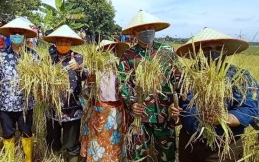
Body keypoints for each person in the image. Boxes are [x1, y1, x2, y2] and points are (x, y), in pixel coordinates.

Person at [171, 27, 259, 162]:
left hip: (223, 147)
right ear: (197, 52)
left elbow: (250, 109)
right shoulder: (186, 76)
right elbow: (178, 106)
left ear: (224, 51)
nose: (213, 52)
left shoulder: (240, 76)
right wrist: (174, 111)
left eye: (218, 48)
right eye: (206, 49)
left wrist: (224, 118)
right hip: (189, 144)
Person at [118, 10, 178, 162]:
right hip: (140, 115)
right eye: (142, 29)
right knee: (137, 156)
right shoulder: (128, 55)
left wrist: (175, 103)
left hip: (165, 113)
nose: (147, 31)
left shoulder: (167, 51)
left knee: (167, 156)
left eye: (150, 27)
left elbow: (177, 78)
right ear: (134, 32)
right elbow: (122, 82)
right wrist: (132, 102)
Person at [0, 17, 38, 162]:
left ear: (25, 35)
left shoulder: (33, 56)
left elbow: (40, 77)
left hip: (25, 103)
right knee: (8, 133)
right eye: (14, 32)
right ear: (9, 34)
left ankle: (28, 159)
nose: (17, 35)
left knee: (26, 132)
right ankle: (9, 158)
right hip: (6, 102)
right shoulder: (0, 55)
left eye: (20, 32)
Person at [43, 25, 88, 162]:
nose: (63, 44)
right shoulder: (48, 59)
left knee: (72, 144)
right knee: (52, 140)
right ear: (55, 43)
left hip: (72, 109)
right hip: (52, 109)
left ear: (71, 43)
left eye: (66, 42)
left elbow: (89, 75)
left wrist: (79, 68)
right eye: (60, 42)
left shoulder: (79, 58)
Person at [80, 40, 129, 162]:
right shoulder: (94, 70)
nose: (109, 52)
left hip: (117, 110)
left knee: (115, 138)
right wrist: (91, 85)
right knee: (98, 139)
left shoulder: (121, 69)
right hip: (99, 109)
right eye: (105, 50)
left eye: (112, 49)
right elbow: (86, 94)